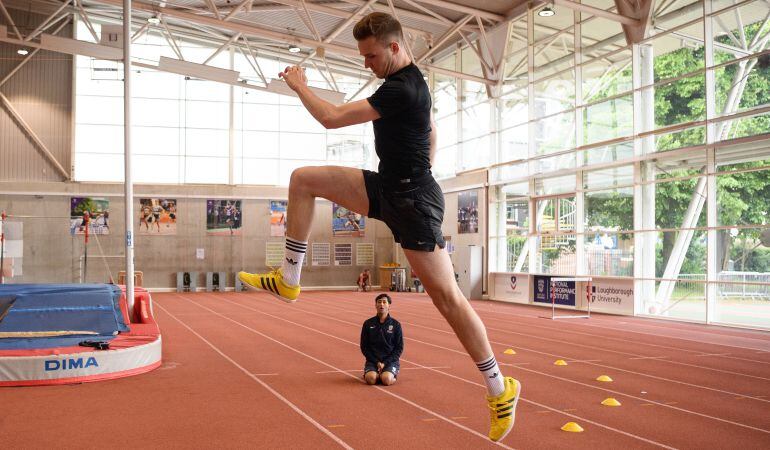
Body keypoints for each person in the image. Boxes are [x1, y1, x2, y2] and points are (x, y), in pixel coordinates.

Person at [238, 12, 520, 442]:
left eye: (371, 56)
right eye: (362, 56)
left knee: (448, 300)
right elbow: (431, 130)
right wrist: (421, 164)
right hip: (389, 186)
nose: (366, 63)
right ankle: (289, 278)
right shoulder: (409, 86)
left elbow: (331, 118)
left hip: (412, 204)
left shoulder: (402, 88)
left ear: (394, 47)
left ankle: (500, 388)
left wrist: (298, 85)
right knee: (303, 179)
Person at [360, 293, 402, 386]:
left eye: (384, 302)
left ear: (389, 305)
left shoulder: (396, 325)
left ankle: (389, 374)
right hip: (373, 360)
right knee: (371, 380)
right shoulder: (368, 323)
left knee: (386, 380)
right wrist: (376, 362)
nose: (381, 304)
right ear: (375, 305)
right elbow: (364, 347)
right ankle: (374, 374)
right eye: (379, 302)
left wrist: (385, 363)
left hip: (390, 361)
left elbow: (399, 348)